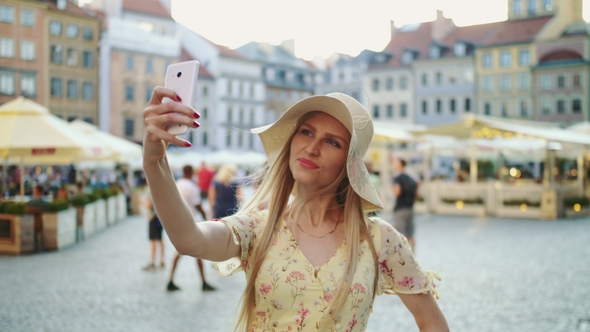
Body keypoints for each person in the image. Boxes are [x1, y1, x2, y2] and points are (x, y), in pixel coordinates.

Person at [142, 89, 448, 331]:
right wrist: (154, 162)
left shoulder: (379, 239)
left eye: (332, 141)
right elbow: (188, 239)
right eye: (306, 132)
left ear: (349, 166)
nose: (312, 147)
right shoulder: (259, 227)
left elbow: (432, 321)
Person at [168, 165, 216, 292]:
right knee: (198, 252)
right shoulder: (192, 187)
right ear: (190, 173)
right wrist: (207, 218)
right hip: (190, 223)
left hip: (178, 223)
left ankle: (171, 279)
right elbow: (198, 205)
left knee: (180, 252)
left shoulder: (177, 184)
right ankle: (204, 283)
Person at [391, 157, 419, 252]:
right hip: (410, 208)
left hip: (400, 208)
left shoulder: (398, 178)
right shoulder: (411, 178)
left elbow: (397, 191)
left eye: (395, 162)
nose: (394, 164)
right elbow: (417, 192)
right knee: (410, 234)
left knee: (400, 235)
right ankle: (413, 255)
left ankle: (403, 256)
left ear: (400, 164)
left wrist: (393, 189)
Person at [140, 183, 165, 271]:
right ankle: (162, 260)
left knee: (153, 240)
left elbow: (150, 204)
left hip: (153, 217)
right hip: (159, 216)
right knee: (160, 239)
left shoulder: (151, 188)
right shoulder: (159, 186)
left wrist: (142, 202)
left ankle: (152, 263)